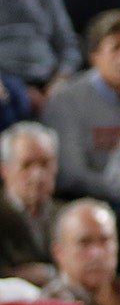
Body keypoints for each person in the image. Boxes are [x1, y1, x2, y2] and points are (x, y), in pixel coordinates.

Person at [41, 10, 120, 230]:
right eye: (117, 48)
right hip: (88, 198)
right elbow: (71, 174)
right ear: (95, 55)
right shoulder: (66, 101)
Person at [0, 120, 57, 282]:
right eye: (27, 165)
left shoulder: (68, 216)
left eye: (45, 164)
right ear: (4, 170)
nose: (37, 176)